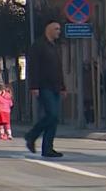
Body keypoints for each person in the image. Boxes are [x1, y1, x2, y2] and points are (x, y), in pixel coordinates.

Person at [25, 19, 66, 157]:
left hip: (55, 86)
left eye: (59, 29)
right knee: (52, 114)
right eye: (56, 29)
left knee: (53, 118)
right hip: (43, 86)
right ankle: (32, 135)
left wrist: (62, 86)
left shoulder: (55, 46)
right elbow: (33, 67)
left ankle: (47, 148)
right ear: (48, 30)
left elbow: (59, 69)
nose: (59, 32)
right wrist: (34, 86)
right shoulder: (38, 45)